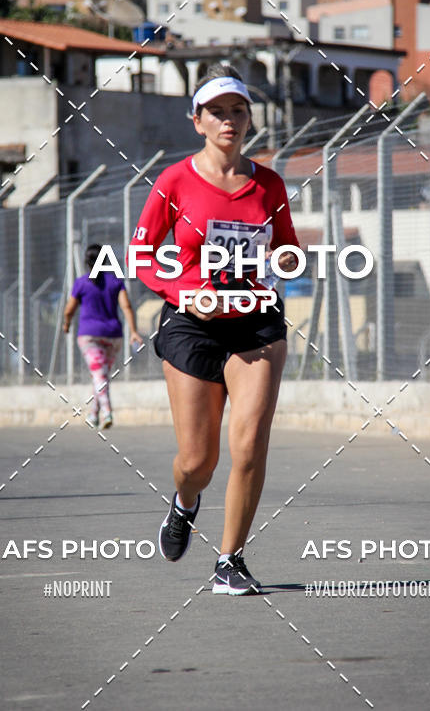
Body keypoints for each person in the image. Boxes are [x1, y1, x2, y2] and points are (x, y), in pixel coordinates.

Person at [129, 63, 299, 595]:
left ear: (250, 119)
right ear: (196, 120)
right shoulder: (174, 180)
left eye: (238, 111)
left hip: (257, 324)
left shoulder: (268, 183)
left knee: (249, 444)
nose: (229, 120)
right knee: (198, 461)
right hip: (193, 327)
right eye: (217, 112)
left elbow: (288, 249)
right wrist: (185, 293)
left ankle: (230, 560)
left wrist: (284, 265)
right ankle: (184, 502)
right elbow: (140, 254)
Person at [63, 243, 143, 429]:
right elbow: (126, 307)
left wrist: (66, 324)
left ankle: (106, 411)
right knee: (101, 375)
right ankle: (93, 414)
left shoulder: (81, 283)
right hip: (113, 335)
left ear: (86, 262)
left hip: (89, 336)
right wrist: (133, 331)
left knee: (100, 376)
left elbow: (69, 310)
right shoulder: (115, 282)